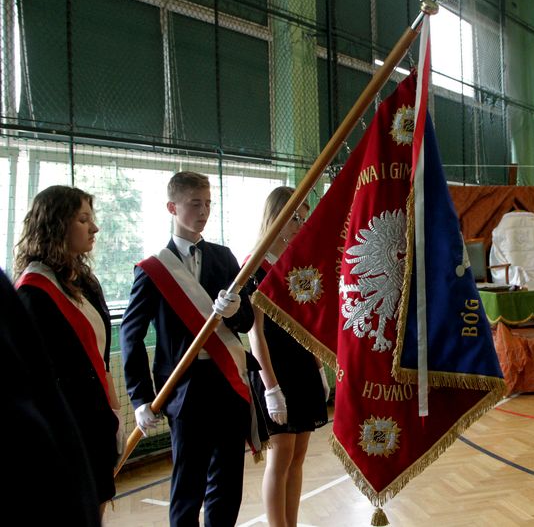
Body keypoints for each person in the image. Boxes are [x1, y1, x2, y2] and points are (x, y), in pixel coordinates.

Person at [120, 171, 255, 526]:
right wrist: (139, 398)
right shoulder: (153, 269)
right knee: (187, 487)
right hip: (185, 390)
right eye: (195, 203)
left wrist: (235, 311)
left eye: (208, 203)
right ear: (172, 207)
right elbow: (130, 335)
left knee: (227, 484)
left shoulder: (224, 258)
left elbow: (247, 322)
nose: (204, 211)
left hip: (228, 382)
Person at [14, 186, 122, 520]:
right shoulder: (32, 294)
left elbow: (100, 358)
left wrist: (114, 412)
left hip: (96, 422)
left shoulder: (85, 281)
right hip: (66, 430)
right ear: (57, 224)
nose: (94, 228)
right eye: (83, 220)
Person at [247, 186, 329, 527]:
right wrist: (271, 388)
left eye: (304, 218)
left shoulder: (299, 266)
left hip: (302, 366)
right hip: (274, 369)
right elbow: (255, 334)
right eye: (294, 217)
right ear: (276, 218)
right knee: (280, 456)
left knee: (298, 455)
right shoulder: (255, 267)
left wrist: (319, 367)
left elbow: (308, 323)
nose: (300, 225)